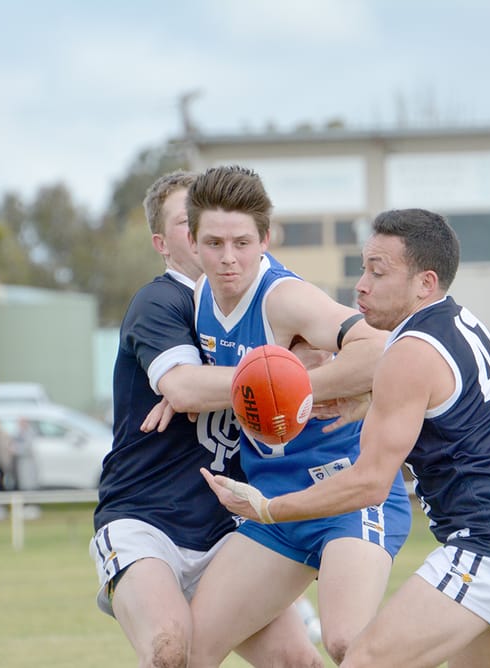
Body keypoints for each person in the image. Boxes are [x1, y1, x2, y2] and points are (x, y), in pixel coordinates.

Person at [203, 207, 490, 668]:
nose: (361, 285)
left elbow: (369, 484)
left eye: (378, 272)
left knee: (362, 661)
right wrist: (371, 402)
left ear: (425, 283)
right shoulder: (460, 323)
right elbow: (455, 413)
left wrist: (268, 508)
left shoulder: (409, 349)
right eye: (363, 268)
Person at [173, 166, 412, 667]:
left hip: (344, 493)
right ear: (192, 242)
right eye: (213, 243)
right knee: (189, 649)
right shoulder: (197, 300)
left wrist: (293, 390)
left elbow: (381, 348)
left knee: (347, 642)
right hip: (272, 505)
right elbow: (195, 384)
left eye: (242, 242)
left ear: (266, 238)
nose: (228, 258)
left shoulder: (285, 298)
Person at [89, 171, 322, 668]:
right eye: (188, 223)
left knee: (298, 661)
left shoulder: (251, 300)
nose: (216, 244)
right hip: (146, 518)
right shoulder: (162, 300)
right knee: (170, 649)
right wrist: (280, 375)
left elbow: (328, 353)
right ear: (170, 241)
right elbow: (185, 386)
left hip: (225, 529)